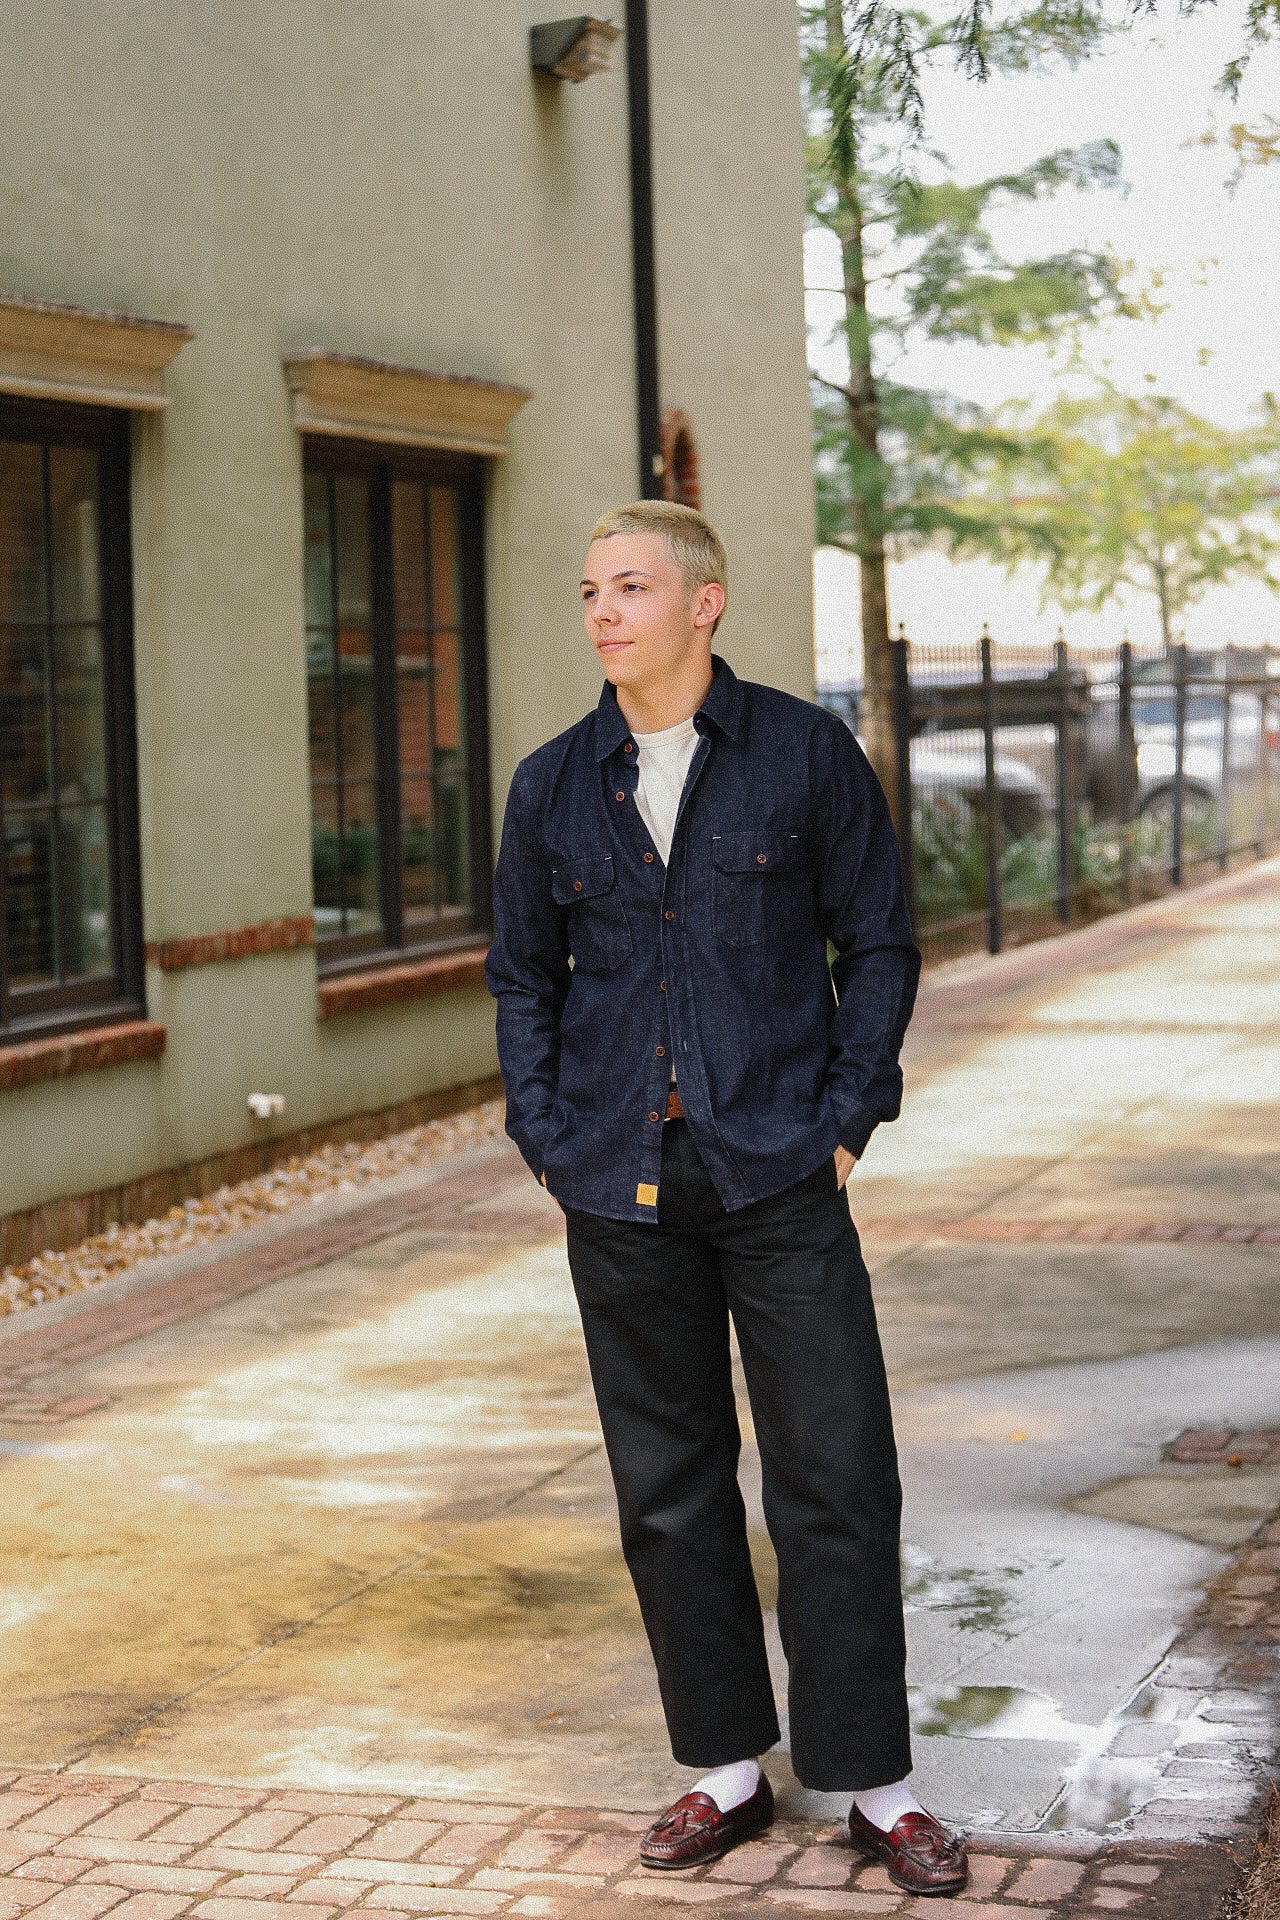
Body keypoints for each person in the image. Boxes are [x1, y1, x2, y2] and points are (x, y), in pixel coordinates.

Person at [485, 500, 967, 1897]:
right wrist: (548, 1134)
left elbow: (878, 942)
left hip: (777, 1174)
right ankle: (726, 1773)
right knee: (668, 1488)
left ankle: (877, 1787)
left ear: (706, 603)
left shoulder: (805, 759)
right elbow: (523, 977)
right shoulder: (554, 786)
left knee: (835, 1475)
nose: (602, 612)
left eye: (630, 586)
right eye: (587, 590)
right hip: (618, 1186)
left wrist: (845, 1121)